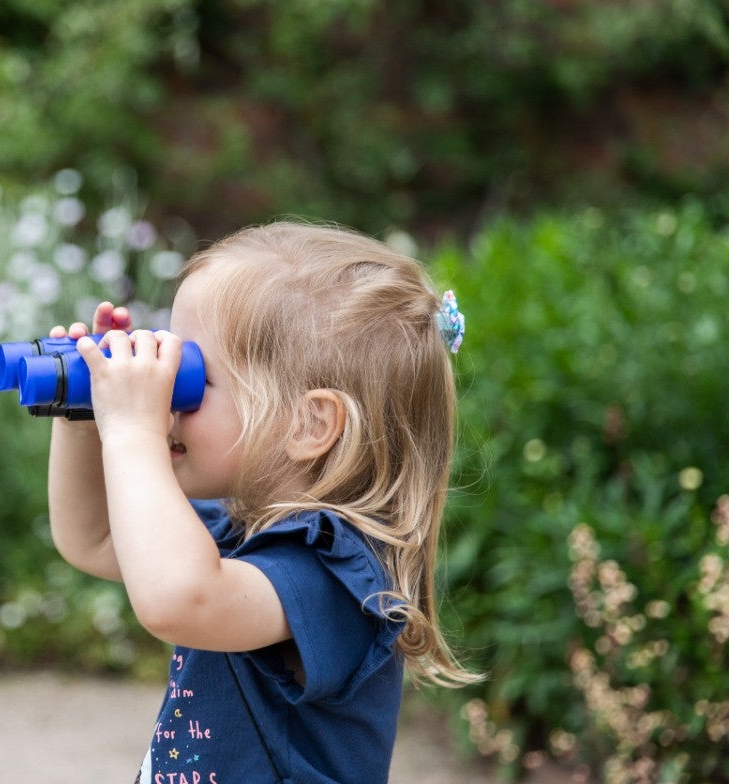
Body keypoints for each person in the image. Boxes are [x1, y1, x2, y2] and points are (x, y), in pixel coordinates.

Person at [46, 221, 480, 784]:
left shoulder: (334, 574)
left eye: (189, 378)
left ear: (309, 423)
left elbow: (179, 600)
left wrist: (133, 430)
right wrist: (88, 415)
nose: (166, 397)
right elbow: (95, 537)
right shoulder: (237, 526)